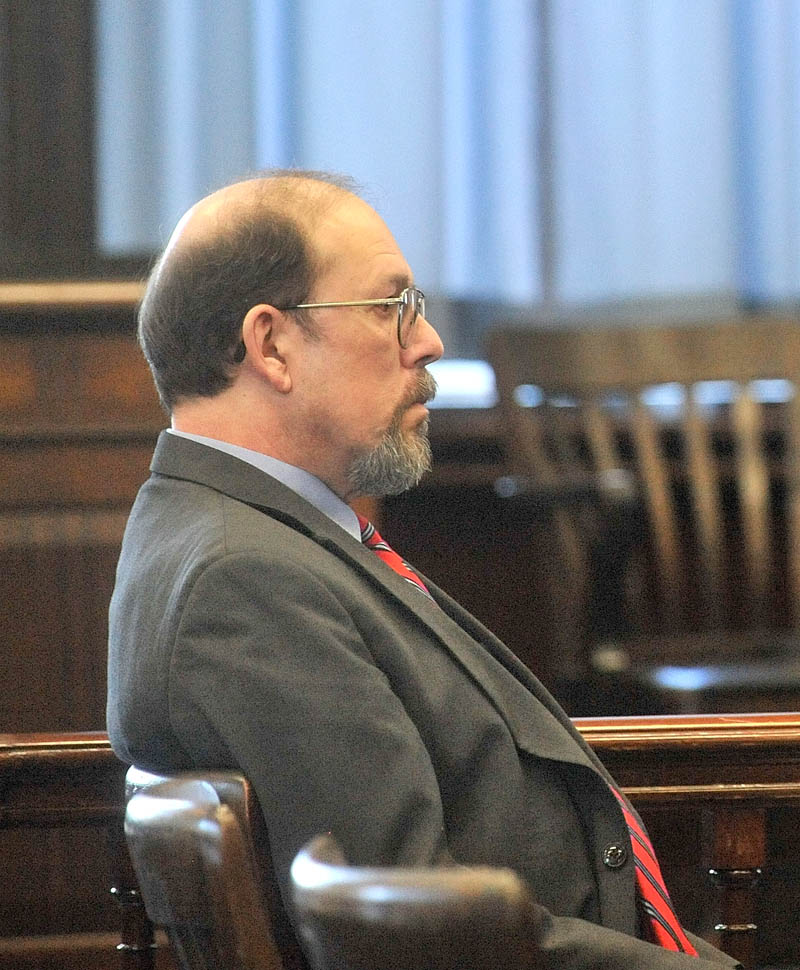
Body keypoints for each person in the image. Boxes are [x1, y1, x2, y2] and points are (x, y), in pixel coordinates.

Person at [107, 170, 737, 969]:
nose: (429, 340)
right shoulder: (243, 580)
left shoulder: (252, 536)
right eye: (390, 307)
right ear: (271, 344)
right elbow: (409, 931)